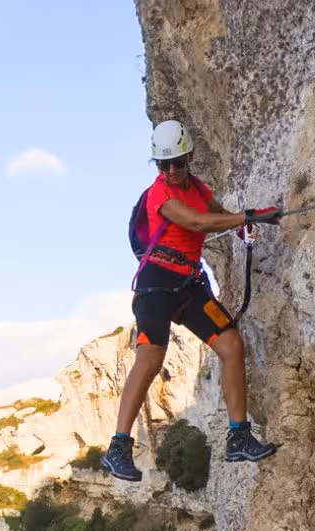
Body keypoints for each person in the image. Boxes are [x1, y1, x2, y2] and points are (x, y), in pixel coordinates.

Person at [101, 120, 280, 482]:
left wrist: (247, 220)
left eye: (176, 163)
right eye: (162, 165)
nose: (170, 171)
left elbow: (216, 214)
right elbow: (198, 224)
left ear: (189, 158)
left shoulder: (198, 188)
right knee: (150, 358)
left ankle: (238, 436)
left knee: (231, 344)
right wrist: (247, 217)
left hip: (188, 284)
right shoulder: (159, 195)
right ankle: (118, 447)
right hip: (156, 283)